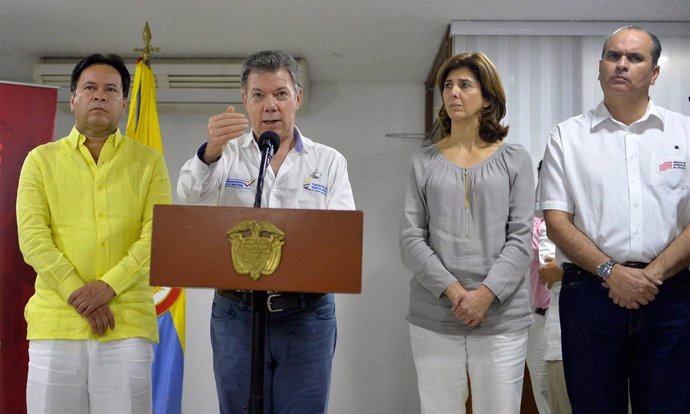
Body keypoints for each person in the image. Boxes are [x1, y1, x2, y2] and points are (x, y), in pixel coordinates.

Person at [177, 50, 355, 414]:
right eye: (258, 95)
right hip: (236, 312)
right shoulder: (224, 155)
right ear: (245, 101)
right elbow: (189, 197)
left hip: (306, 314)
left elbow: (340, 237)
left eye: (280, 94)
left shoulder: (329, 161)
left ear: (298, 98)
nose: (269, 105)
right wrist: (209, 152)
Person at [536, 25, 690, 413]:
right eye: (613, 56)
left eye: (635, 58)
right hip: (589, 295)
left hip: (671, 296)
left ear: (654, 74)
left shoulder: (684, 133)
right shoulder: (566, 137)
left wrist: (651, 275)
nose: (621, 64)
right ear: (599, 67)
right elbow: (556, 221)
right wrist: (610, 272)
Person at [16, 53, 172, 414]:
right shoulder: (40, 160)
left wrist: (107, 287)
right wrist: (77, 293)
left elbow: (157, 235)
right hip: (56, 324)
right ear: (73, 99)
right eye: (89, 87)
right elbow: (33, 239)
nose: (99, 96)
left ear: (124, 103)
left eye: (110, 89)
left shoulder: (148, 162)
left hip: (127, 324)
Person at [400, 51, 534, 414]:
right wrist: (456, 292)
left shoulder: (515, 160)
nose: (453, 93)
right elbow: (411, 240)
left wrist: (485, 296)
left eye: (464, 85)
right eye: (447, 86)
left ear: (487, 97)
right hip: (434, 317)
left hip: (501, 319)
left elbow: (521, 239)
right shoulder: (422, 162)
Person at [537, 227, 571, 414]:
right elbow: (549, 271)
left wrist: (565, 267)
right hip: (561, 342)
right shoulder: (549, 226)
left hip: (616, 340)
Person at [525, 213, 552, 414]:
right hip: (541, 318)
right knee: (541, 385)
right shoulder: (535, 226)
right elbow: (535, 250)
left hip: (570, 315)